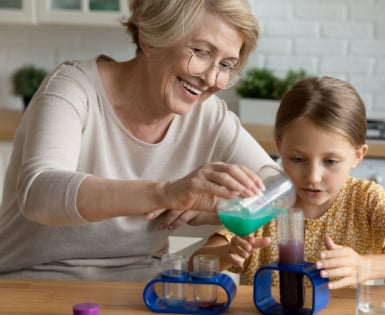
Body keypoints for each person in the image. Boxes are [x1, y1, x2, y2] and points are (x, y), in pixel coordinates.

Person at [0, 0, 275, 281]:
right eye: (202, 52)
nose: (212, 78)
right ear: (150, 38)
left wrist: (211, 210)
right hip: (34, 282)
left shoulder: (209, 117)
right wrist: (165, 193)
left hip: (141, 291)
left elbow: (282, 187)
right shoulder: (73, 88)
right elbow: (39, 193)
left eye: (226, 65)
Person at [190, 76, 385, 289]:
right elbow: (195, 264)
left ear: (358, 156)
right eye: (298, 159)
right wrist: (225, 255)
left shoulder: (367, 199)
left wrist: (364, 266)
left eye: (331, 161)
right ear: (280, 145)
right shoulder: (262, 197)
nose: (313, 176)